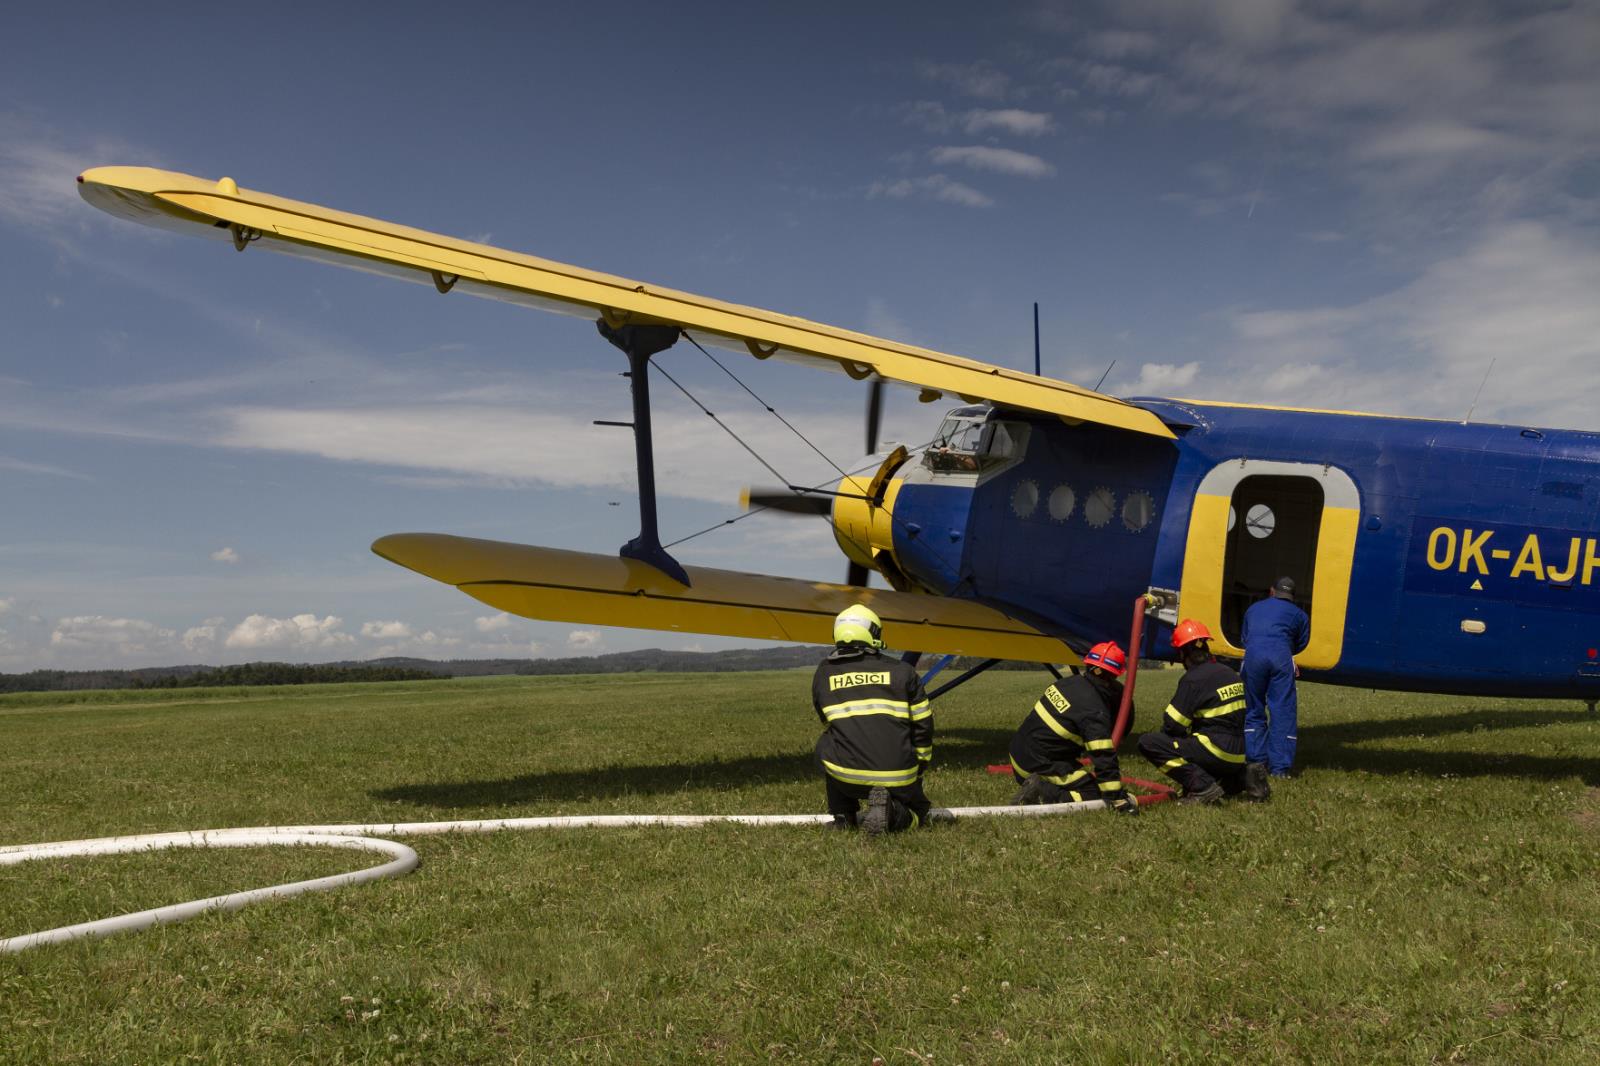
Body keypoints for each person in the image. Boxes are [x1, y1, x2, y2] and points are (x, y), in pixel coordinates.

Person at [813, 604, 934, 834]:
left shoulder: (823, 672)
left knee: (829, 740)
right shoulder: (904, 672)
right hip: (900, 775)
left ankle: (843, 817)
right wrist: (919, 765)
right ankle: (895, 813)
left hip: (845, 777)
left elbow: (825, 717)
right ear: (874, 634)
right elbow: (923, 725)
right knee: (920, 814)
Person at [1137, 618, 1264, 804]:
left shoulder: (1193, 679)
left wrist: (1173, 744)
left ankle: (1203, 788)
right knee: (1211, 768)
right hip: (1237, 754)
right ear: (1205, 647)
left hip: (1215, 750)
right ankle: (1244, 775)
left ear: (1183, 653)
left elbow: (1173, 725)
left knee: (1149, 743)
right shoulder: (1228, 673)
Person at [1008, 641, 1140, 815]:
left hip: (1018, 757)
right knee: (1092, 793)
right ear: (1113, 676)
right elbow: (1103, 756)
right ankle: (1042, 792)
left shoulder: (1068, 683)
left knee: (1085, 779)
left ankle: (1038, 785)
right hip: (1039, 765)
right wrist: (1116, 797)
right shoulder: (1094, 711)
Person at [1241, 576, 1311, 779]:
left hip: (1253, 656)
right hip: (1281, 656)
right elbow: (1302, 643)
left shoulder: (1254, 609)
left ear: (1272, 591)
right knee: (1282, 712)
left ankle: (1255, 761)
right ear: (1292, 597)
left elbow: (1245, 637)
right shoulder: (1300, 615)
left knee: (1253, 710)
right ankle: (1279, 769)